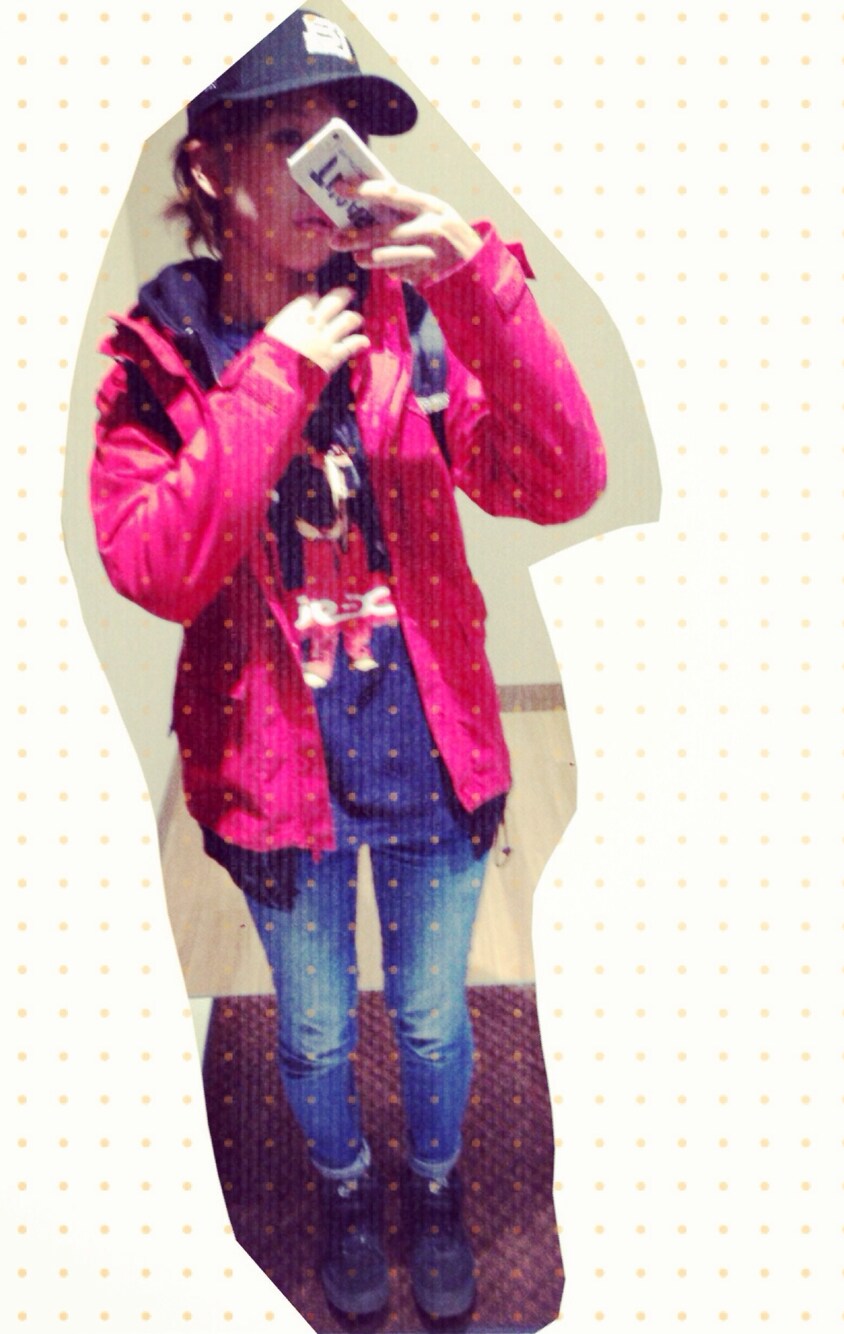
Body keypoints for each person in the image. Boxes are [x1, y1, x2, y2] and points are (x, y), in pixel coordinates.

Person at [90, 8, 606, 1322]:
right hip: (276, 783)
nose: (334, 169)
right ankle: (341, 1186)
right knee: (317, 1031)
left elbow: (561, 481)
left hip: (432, 758)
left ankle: (433, 1188)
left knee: (432, 1020)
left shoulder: (421, 321)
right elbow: (154, 565)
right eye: (290, 136)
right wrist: (273, 377)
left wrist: (480, 290)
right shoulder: (160, 349)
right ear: (210, 166)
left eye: (347, 137)